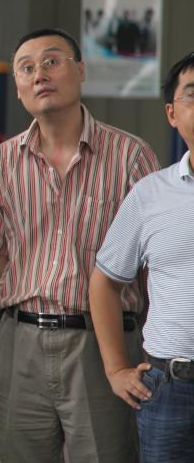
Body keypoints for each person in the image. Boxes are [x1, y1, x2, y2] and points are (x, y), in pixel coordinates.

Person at [0, 27, 159, 463]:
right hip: (20, 343)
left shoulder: (130, 157)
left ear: (81, 70)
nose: (40, 75)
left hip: (102, 344)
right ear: (17, 87)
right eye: (26, 68)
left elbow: (152, 265)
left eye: (52, 61)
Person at [89, 51, 194, 462]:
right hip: (170, 389)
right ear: (172, 113)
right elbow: (104, 281)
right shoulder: (150, 194)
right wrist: (116, 369)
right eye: (193, 94)